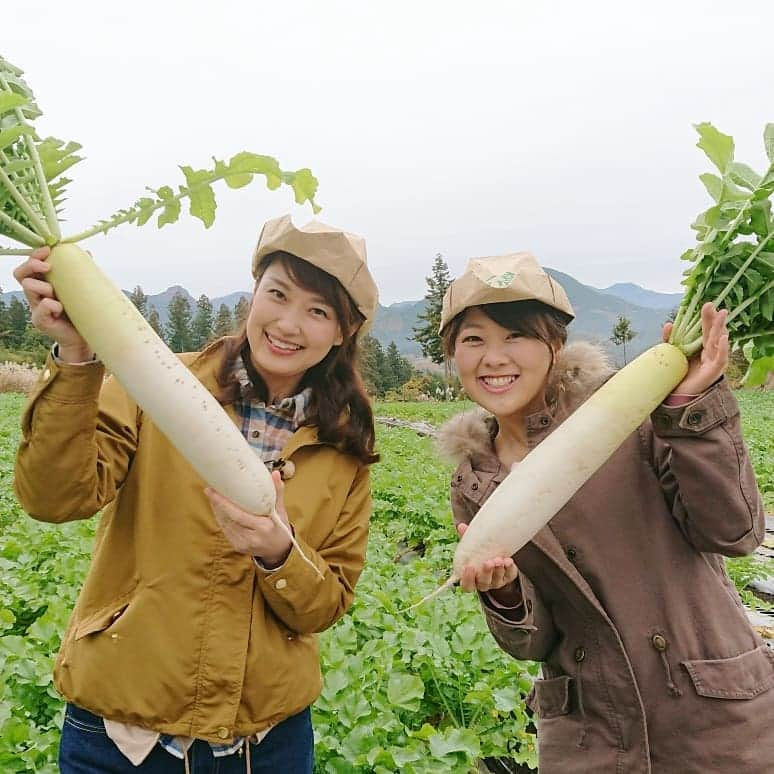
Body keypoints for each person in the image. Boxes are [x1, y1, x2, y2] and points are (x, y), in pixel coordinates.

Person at [13, 215, 379, 774]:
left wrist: (279, 553)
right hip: (120, 735)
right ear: (253, 294)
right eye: (277, 294)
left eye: (318, 311)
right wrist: (76, 359)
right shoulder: (152, 385)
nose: (288, 322)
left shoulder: (344, 448)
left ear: (342, 333)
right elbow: (54, 499)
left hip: (269, 746)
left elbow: (327, 604)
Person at [436, 252, 773, 773]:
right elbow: (533, 643)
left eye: (515, 336)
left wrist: (692, 411)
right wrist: (503, 593)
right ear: (451, 354)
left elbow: (735, 532)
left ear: (554, 343)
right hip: (591, 737)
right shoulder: (473, 483)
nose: (494, 358)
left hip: (712, 718)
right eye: (473, 340)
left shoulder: (631, 415)